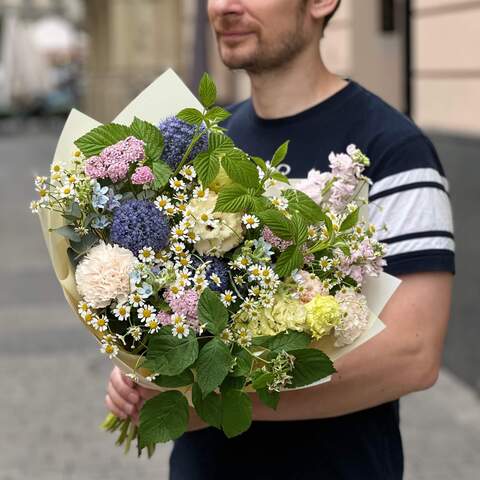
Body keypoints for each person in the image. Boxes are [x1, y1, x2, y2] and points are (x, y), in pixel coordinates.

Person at [105, 1, 455, 478]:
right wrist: (142, 366)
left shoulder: (391, 147)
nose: (225, 6)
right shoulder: (206, 141)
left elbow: (412, 355)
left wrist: (209, 400)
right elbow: (164, 297)